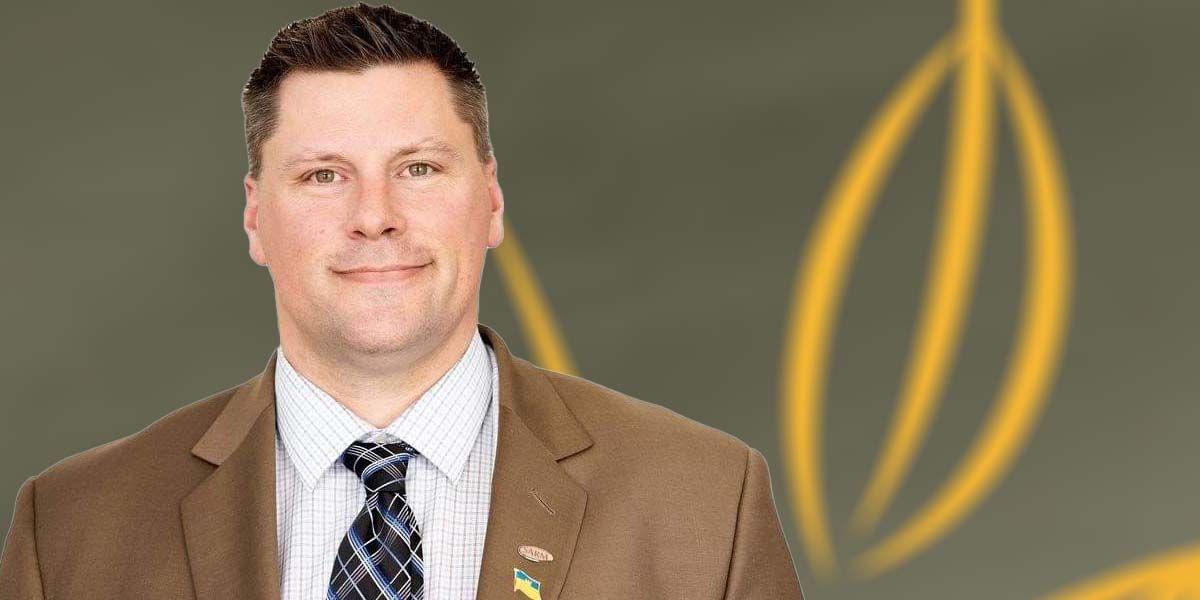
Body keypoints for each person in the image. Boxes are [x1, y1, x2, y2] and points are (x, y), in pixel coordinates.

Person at [0, 3, 804, 599]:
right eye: (324, 175)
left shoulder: (704, 503)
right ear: (254, 216)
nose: (375, 215)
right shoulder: (71, 528)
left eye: (418, 168)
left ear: (491, 199)